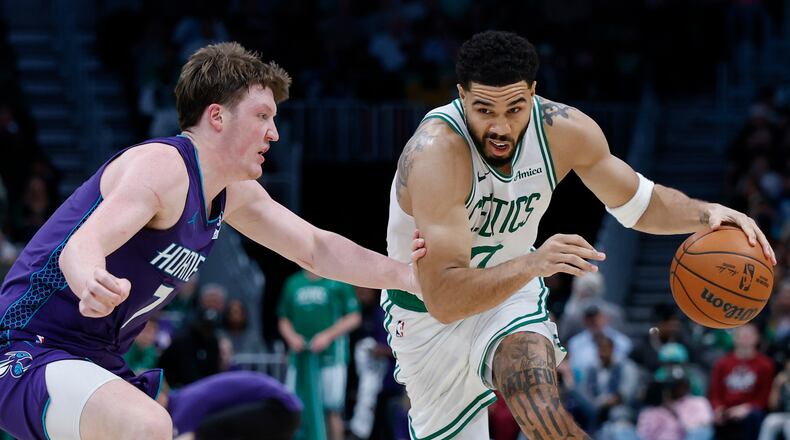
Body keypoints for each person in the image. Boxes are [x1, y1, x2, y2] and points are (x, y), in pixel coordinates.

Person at [0, 42, 425, 440]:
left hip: (96, 358)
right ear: (217, 116)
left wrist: (408, 276)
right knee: (147, 426)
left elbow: (314, 248)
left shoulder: (229, 191)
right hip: (27, 347)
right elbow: (82, 244)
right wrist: (89, 278)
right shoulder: (163, 167)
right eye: (262, 116)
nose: (274, 133)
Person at [384, 30, 776, 439]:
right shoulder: (435, 154)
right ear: (461, 96)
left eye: (515, 108)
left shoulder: (563, 130)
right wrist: (534, 263)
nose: (500, 127)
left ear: (534, 93)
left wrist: (706, 213)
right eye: (484, 109)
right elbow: (445, 299)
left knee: (537, 400)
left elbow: (639, 202)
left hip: (509, 293)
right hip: (428, 310)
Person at [278, 270, 361, 440]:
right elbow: (283, 318)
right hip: (299, 359)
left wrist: (328, 335)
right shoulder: (293, 283)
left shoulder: (338, 280)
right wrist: (292, 337)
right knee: (294, 408)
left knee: (332, 409)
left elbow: (354, 317)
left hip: (331, 358)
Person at [159, 370, 302, 440]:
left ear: (160, 396)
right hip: (285, 409)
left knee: (205, 430)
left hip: (281, 409)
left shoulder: (184, 406)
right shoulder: (183, 397)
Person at [709, 323, 774, 440]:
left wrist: (746, 408)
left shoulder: (765, 365)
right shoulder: (722, 363)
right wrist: (718, 408)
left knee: (754, 416)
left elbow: (763, 398)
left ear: (757, 338)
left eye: (748, 335)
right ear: (735, 338)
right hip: (726, 410)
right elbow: (715, 393)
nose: (745, 339)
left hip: (750, 412)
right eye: (742, 335)